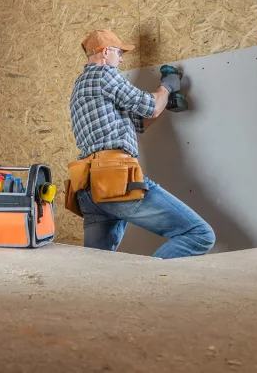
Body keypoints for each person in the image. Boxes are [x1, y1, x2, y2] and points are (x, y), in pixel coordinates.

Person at [68, 29, 215, 258]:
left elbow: (139, 122)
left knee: (97, 264)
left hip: (90, 189)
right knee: (199, 234)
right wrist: (166, 87)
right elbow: (151, 107)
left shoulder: (81, 85)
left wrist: (165, 101)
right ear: (105, 52)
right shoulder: (104, 73)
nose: (121, 59)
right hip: (116, 181)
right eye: (119, 53)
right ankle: (148, 278)